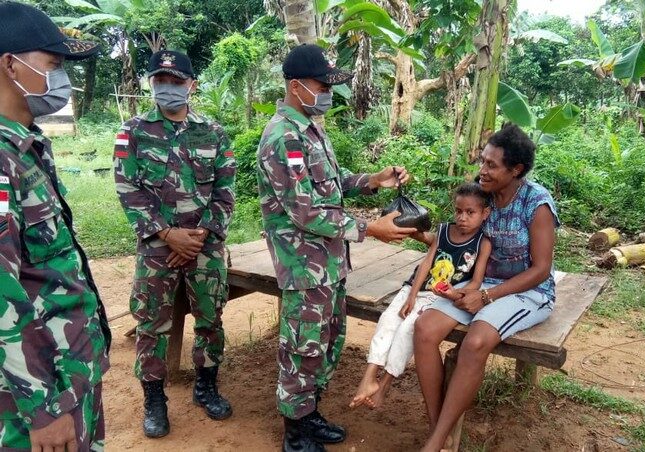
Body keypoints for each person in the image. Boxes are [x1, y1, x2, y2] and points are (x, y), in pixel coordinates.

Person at [257, 43, 417, 451]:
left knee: (326, 341)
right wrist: (372, 229)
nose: (328, 90)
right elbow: (305, 210)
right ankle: (294, 433)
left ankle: (309, 414)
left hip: (328, 262)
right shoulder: (283, 137)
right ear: (297, 86)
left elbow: (331, 180)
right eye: (322, 83)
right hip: (304, 264)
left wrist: (373, 179)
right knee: (302, 347)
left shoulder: (311, 129)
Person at [0, 2, 112, 450]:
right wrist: (44, 405)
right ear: (11, 64)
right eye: (54, 64)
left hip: (69, 369)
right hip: (39, 392)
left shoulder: (25, 146)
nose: (63, 79)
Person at [414, 123, 559, 451]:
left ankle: (435, 442)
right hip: (479, 284)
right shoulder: (482, 198)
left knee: (477, 340)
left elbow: (541, 270)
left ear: (516, 169)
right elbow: (455, 237)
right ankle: (440, 429)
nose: (482, 170)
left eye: (491, 165)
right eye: (483, 161)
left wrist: (488, 296)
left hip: (528, 291)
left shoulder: (537, 204)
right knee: (424, 329)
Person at [114, 50, 236, 438]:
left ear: (191, 84)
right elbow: (126, 188)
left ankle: (206, 385)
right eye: (160, 81)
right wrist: (168, 234)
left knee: (210, 318)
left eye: (175, 81)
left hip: (205, 246)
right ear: (151, 84)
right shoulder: (131, 131)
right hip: (156, 247)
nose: (167, 88)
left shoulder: (214, 133)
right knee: (151, 323)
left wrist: (200, 236)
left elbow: (225, 190)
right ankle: (154, 398)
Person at [350, 183, 492, 410]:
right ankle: (369, 376)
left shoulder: (482, 243)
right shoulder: (445, 230)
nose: (462, 217)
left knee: (408, 330)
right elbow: (426, 263)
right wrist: (411, 296)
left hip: (439, 298)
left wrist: (454, 293)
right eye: (458, 211)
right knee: (388, 320)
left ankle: (384, 384)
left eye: (470, 212)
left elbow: (476, 281)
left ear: (485, 213)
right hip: (415, 288)